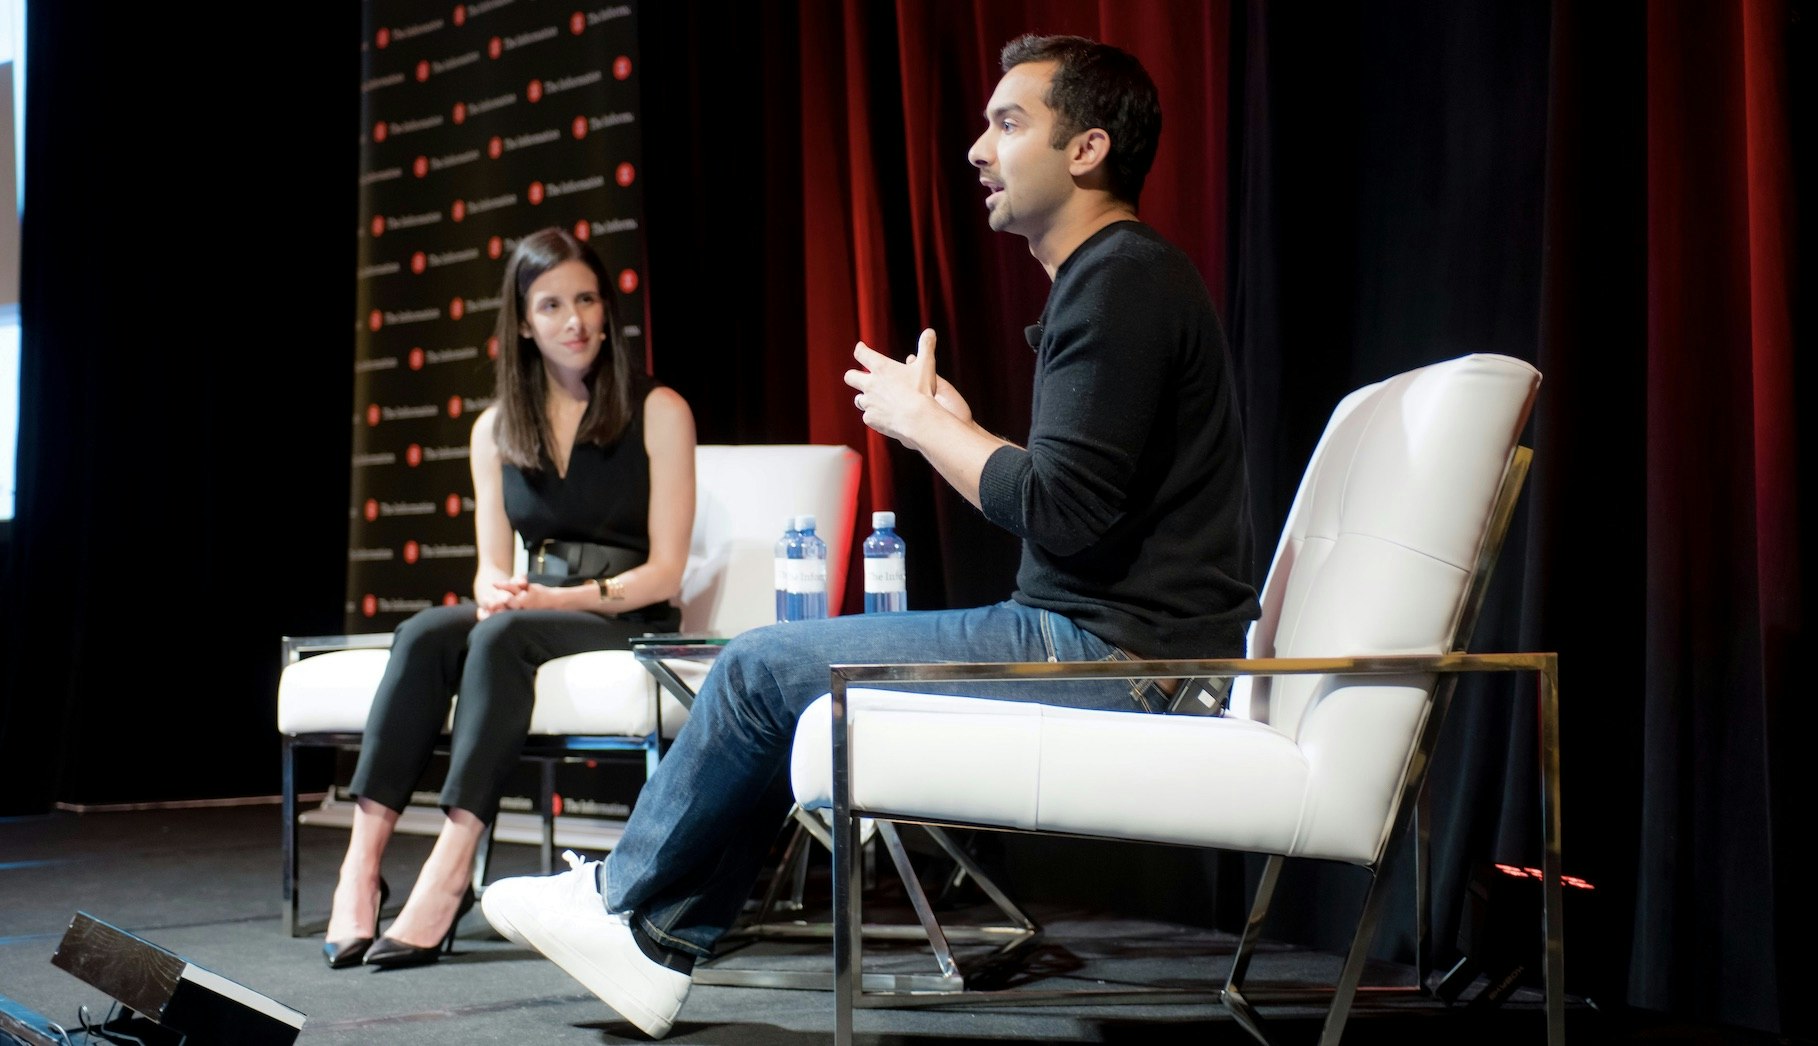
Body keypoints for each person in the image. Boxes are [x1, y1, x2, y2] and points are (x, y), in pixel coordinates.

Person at [480, 33, 1256, 1037]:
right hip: (1107, 636)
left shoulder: (1120, 279)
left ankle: (623, 902)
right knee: (774, 677)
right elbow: (1083, 501)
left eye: (1008, 124)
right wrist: (962, 429)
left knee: (760, 669)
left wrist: (927, 424)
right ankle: (658, 940)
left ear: (1087, 150)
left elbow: (1059, 512)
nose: (979, 149)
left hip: (1116, 652)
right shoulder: (1120, 278)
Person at [321, 227, 697, 970]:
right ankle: (360, 866)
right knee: (428, 632)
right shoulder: (494, 428)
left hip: (625, 613)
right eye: (552, 305)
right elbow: (490, 571)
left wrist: (553, 604)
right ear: (523, 322)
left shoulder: (659, 409)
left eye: (586, 299)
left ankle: (451, 866)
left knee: (500, 638)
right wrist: (500, 589)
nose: (574, 321)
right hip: (538, 606)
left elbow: (666, 574)